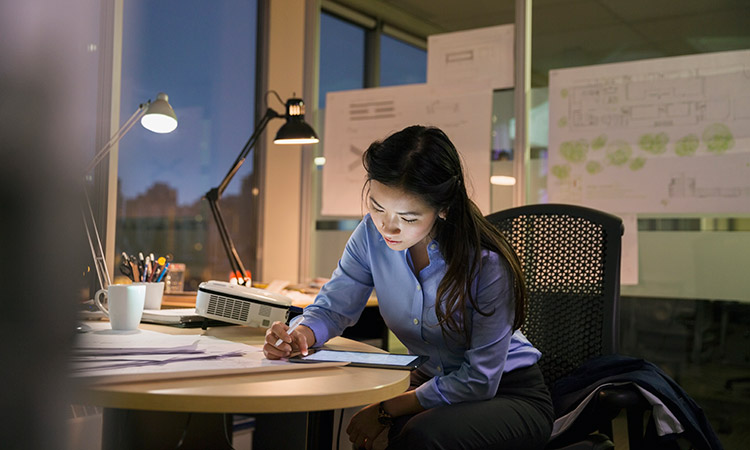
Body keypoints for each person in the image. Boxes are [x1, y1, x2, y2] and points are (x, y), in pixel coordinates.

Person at [264, 125, 554, 450]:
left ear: (442, 209)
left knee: (420, 436)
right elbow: (333, 308)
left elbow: (479, 380)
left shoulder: (485, 265)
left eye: (409, 217)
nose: (388, 227)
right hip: (429, 380)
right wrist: (300, 335)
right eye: (377, 207)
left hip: (507, 394)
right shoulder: (369, 237)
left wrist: (387, 409)